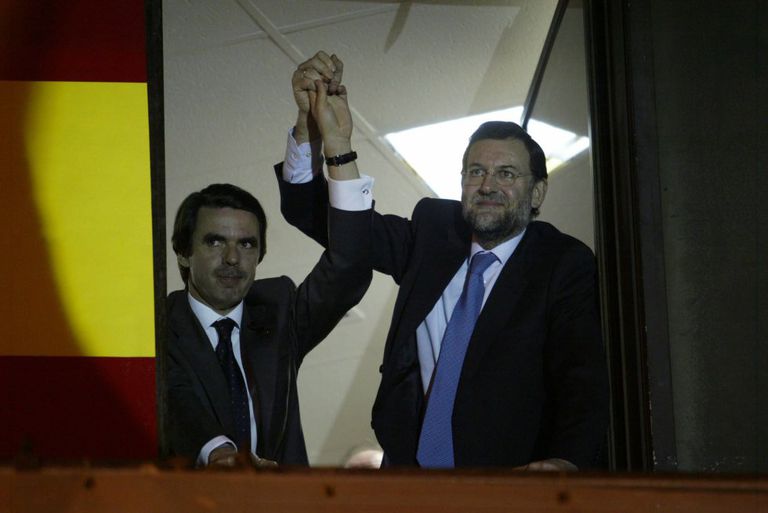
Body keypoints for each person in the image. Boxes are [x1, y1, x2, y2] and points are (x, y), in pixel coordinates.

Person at [275, 52, 609, 470]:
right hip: (407, 477)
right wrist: (326, 138)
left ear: (537, 192)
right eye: (475, 172)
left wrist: (568, 464)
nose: (487, 185)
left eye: (506, 174)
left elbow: (582, 380)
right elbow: (336, 227)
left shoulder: (562, 264)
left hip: (507, 480)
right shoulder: (434, 232)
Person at [165, 182, 371, 466]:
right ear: (183, 253)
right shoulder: (158, 329)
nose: (232, 258)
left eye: (246, 244)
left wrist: (340, 160)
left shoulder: (279, 309)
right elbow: (178, 403)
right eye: (215, 242)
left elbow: (348, 270)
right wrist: (218, 450)